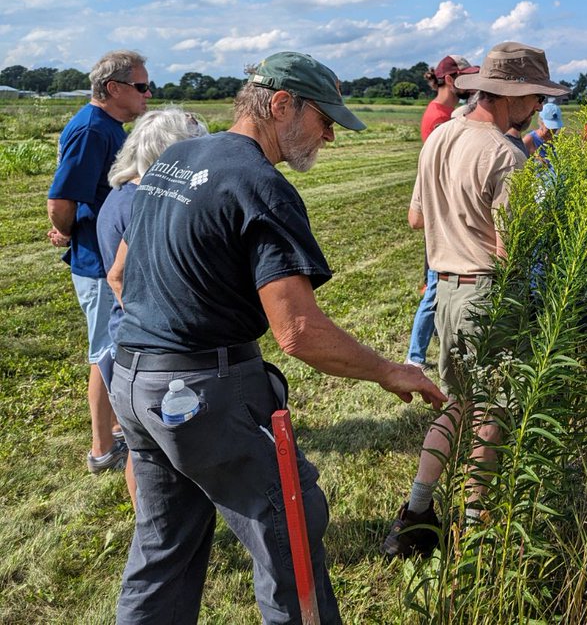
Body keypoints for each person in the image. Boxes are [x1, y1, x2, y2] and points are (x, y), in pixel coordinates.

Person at [107, 52, 445, 624]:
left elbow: (121, 271)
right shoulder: (259, 184)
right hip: (202, 392)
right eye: (325, 120)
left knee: (161, 551)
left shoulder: (176, 158)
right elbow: (298, 331)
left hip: (133, 383)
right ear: (282, 105)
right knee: (291, 527)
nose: (331, 137)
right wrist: (392, 370)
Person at [384, 41, 569, 559]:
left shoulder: (440, 136)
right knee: (495, 409)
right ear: (512, 95)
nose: (536, 107)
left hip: (444, 289)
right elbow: (514, 247)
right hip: (488, 290)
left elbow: (416, 219)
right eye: (533, 97)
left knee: (459, 403)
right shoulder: (506, 155)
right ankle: (475, 525)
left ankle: (418, 510)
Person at [97, 107, 209, 505]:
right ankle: (156, 520)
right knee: (159, 451)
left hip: (127, 342)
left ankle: (150, 523)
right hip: (151, 349)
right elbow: (125, 277)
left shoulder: (119, 194)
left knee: (143, 447)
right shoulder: (148, 200)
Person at [47, 49, 151, 475]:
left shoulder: (108, 126)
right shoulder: (92, 130)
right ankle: (103, 448)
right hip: (97, 260)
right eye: (142, 87)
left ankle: (113, 430)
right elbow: (61, 198)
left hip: (108, 253)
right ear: (113, 88)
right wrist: (70, 232)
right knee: (107, 351)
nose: (149, 95)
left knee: (110, 347)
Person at [406, 55, 479, 368]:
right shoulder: (440, 117)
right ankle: (416, 356)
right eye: (465, 77)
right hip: (443, 213)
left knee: (437, 285)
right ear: (451, 80)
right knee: (435, 287)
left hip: (446, 211)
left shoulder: (448, 113)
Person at [420, 55, 479, 141]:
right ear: (449, 80)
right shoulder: (440, 118)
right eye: (465, 79)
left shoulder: (443, 109)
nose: (470, 84)